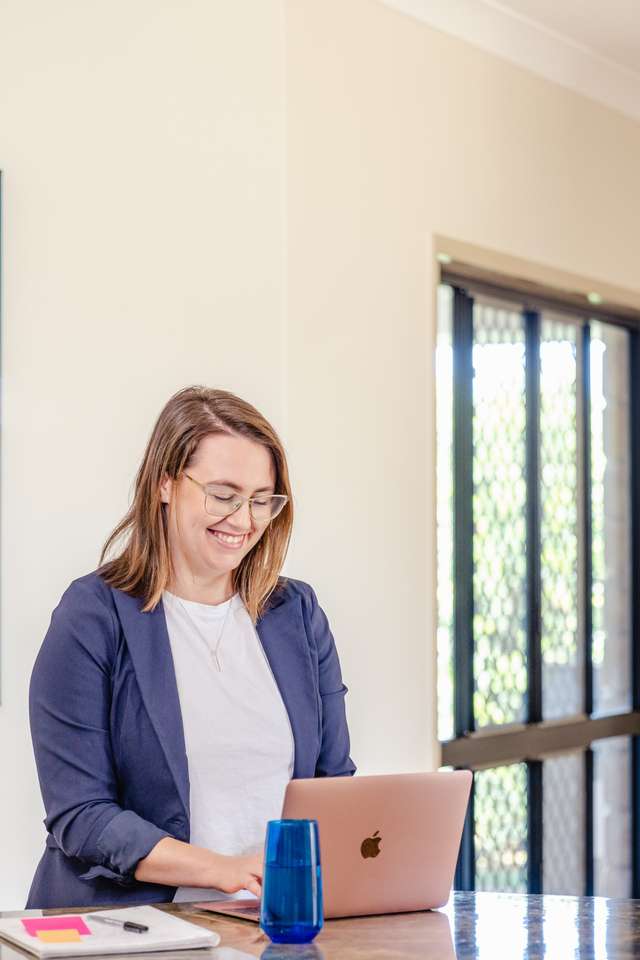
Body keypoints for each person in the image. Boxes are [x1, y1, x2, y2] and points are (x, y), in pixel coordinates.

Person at [27, 385, 355, 908]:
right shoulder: (91, 616)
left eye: (261, 500)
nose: (244, 520)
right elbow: (82, 814)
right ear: (164, 483)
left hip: (269, 924)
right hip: (131, 929)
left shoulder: (296, 613)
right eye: (223, 495)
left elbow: (333, 786)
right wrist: (223, 871)